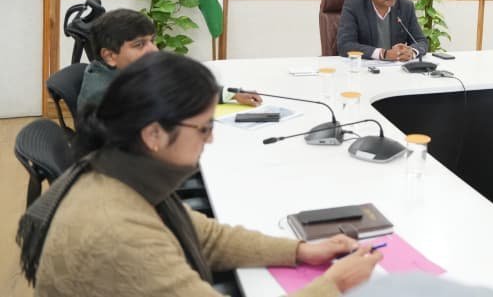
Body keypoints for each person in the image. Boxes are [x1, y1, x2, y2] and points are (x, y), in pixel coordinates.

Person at [19, 52, 382, 296]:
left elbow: (203, 237)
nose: (211, 138)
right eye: (204, 128)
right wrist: (334, 284)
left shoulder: (119, 167)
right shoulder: (118, 232)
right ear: (154, 134)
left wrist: (300, 250)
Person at [78, 9, 261, 119]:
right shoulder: (107, 97)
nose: (153, 50)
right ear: (110, 55)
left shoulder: (128, 73)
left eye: (152, 41)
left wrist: (230, 94)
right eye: (139, 44)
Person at [337, 0, 428, 61]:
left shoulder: (406, 6)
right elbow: (345, 45)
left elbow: (421, 41)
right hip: (365, 65)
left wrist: (412, 52)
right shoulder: (354, 6)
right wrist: (383, 54)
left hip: (396, 66)